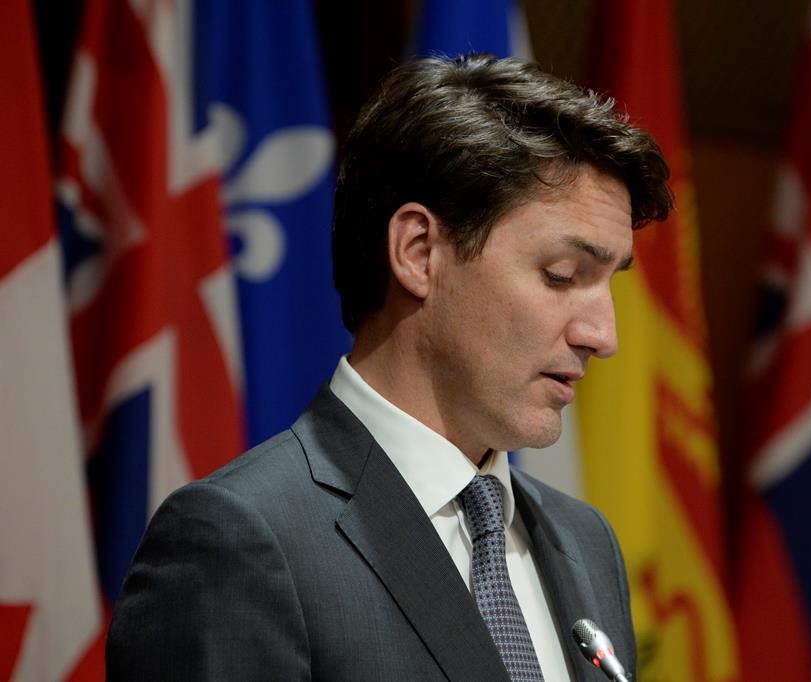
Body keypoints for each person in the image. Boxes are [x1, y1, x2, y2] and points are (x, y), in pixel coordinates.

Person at [107, 54, 672, 681]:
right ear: (419, 252)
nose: (604, 335)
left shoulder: (586, 542)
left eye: (609, 283)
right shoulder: (240, 541)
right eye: (561, 275)